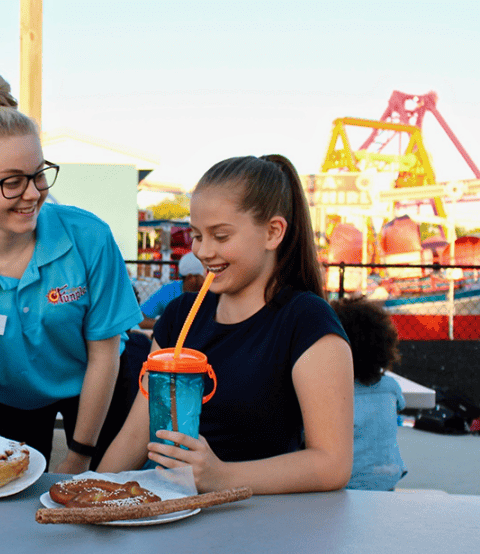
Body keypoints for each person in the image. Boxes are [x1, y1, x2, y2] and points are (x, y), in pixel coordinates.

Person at [0, 66, 142, 473]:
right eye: (13, 182)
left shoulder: (88, 237)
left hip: (98, 382)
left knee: (108, 497)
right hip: (9, 395)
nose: (33, 194)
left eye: (38, 174)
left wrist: (79, 455)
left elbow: (105, 355)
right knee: (7, 493)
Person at [99, 154, 354, 494]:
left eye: (220, 236)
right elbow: (136, 433)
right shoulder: (178, 316)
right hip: (168, 511)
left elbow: (332, 463)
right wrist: (90, 491)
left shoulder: (306, 321)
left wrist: (222, 478)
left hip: (263, 523)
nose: (202, 251)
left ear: (273, 233)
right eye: (197, 235)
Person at [330, 296, 407, 491]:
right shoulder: (391, 387)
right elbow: (401, 405)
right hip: (388, 476)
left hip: (346, 481)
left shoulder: (332, 392)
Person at [138, 252, 206, 329]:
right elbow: (140, 319)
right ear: (190, 278)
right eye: (203, 276)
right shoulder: (169, 291)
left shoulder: (211, 292)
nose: (207, 279)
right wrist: (167, 326)